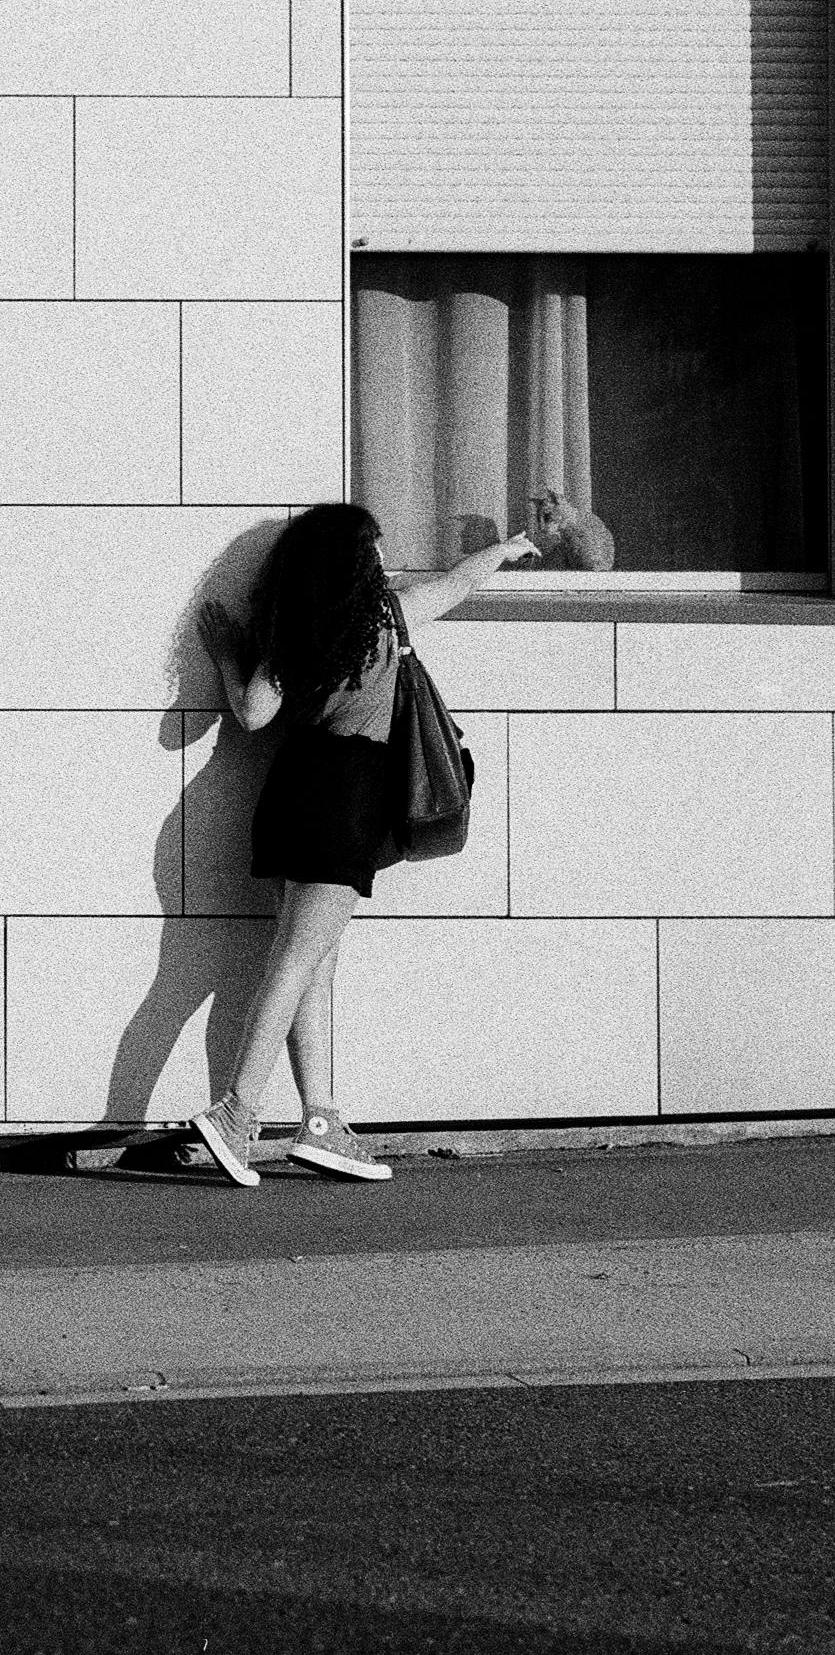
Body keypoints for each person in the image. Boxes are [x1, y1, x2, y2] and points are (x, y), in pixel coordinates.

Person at [189, 506, 535, 1186]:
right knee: (295, 961)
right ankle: (235, 1113)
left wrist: (229, 655)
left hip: (291, 789)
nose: (381, 562)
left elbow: (253, 713)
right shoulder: (386, 621)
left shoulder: (295, 630)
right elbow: (457, 583)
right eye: (372, 552)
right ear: (354, 566)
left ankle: (320, 1123)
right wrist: (503, 550)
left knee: (313, 964)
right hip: (347, 797)